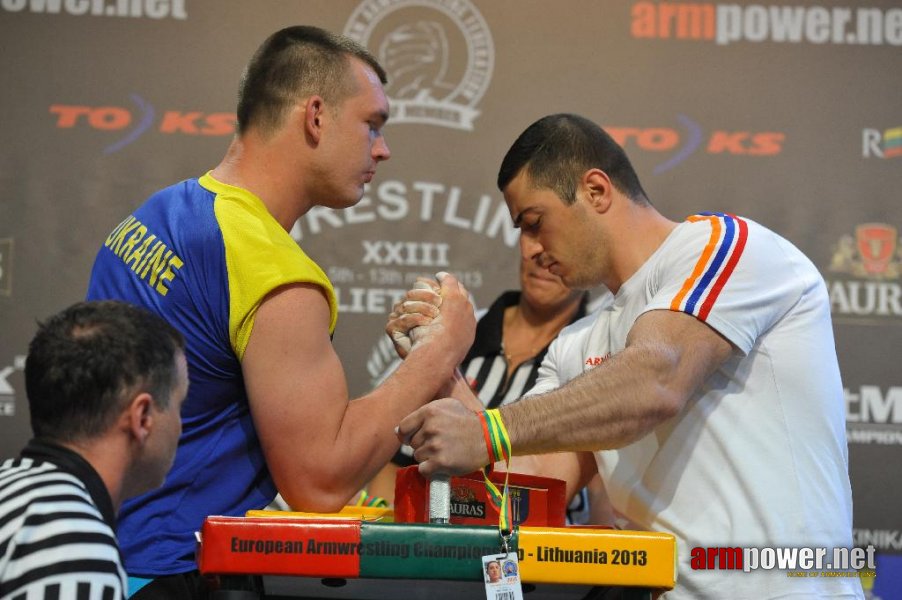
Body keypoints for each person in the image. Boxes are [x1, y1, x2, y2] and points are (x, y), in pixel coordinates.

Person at [394, 114, 863, 599]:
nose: (530, 248)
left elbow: (655, 383)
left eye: (535, 223)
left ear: (596, 190)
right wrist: (438, 363)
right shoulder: (577, 343)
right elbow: (524, 487)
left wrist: (486, 431)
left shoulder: (726, 247)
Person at [85, 26, 474, 598]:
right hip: (173, 571)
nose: (383, 149)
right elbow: (319, 483)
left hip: (93, 552)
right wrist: (441, 352)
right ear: (316, 116)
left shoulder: (156, 215)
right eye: (373, 124)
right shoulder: (272, 271)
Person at [368, 255, 611, 525]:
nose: (542, 254)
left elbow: (540, 488)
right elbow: (396, 465)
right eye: (529, 226)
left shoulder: (594, 354)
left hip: (531, 554)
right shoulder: (462, 331)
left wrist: (439, 367)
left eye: (542, 221)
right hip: (431, 547)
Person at [0, 301, 187, 600]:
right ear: (142, 418)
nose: (180, 426)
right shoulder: (70, 546)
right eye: (180, 405)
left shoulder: (12, 491)